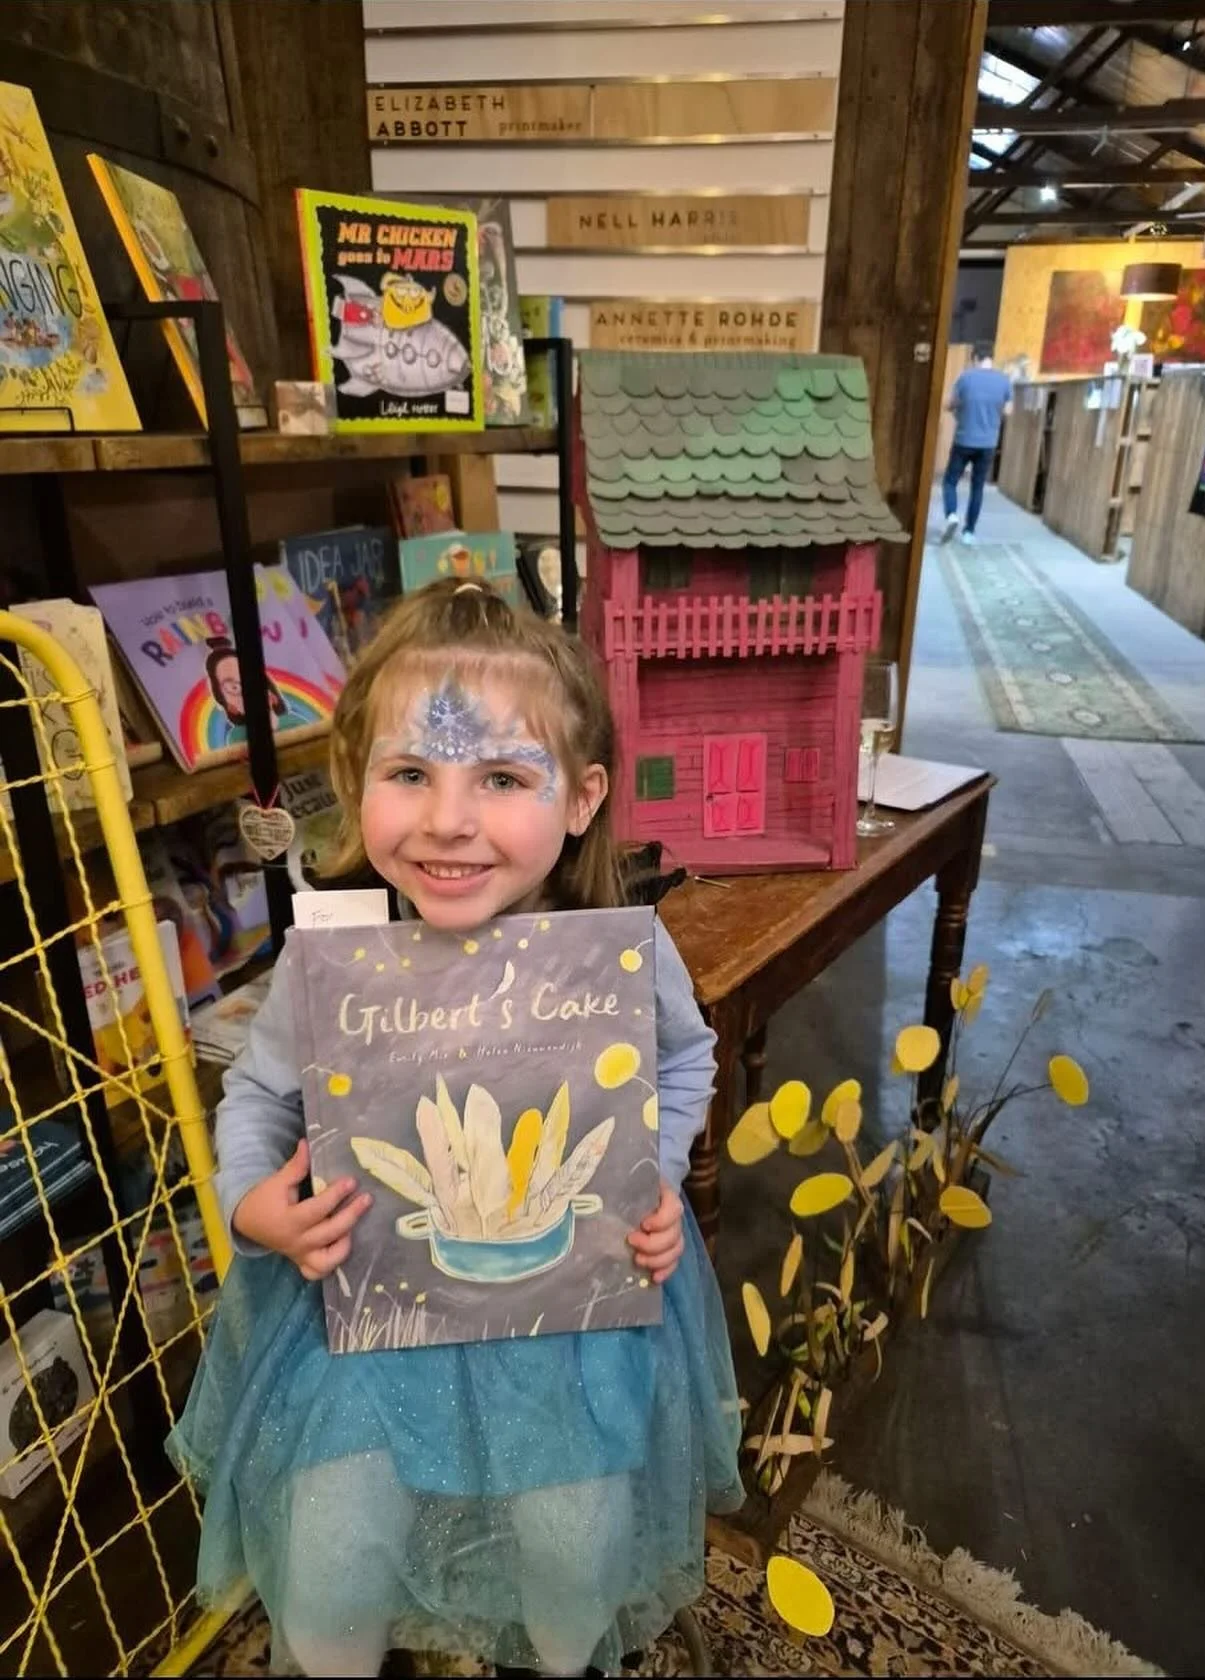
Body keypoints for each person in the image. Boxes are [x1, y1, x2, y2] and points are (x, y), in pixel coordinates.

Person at [169, 577, 743, 1679]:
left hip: (565, 1321)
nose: (447, 819)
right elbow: (257, 1094)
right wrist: (254, 1208)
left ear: (580, 799)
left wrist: (651, 1178)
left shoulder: (614, 950)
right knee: (332, 1556)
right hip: (360, 1330)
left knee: (573, 1549)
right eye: (410, 773)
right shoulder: (331, 964)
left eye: (501, 777)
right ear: (353, 782)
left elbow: (683, 1053)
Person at [941, 341, 1012, 546]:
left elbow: (948, 404)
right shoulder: (1003, 381)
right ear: (991, 357)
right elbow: (1008, 411)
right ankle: (969, 532)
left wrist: (962, 408)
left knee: (950, 481)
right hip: (988, 443)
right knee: (977, 487)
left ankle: (951, 514)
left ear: (975, 358)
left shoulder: (966, 377)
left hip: (964, 440)